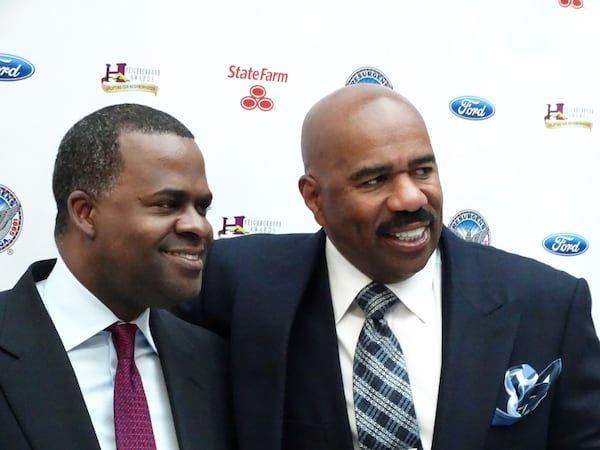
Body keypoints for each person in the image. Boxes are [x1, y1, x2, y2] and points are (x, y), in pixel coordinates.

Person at [174, 83, 600, 450]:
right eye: (375, 180)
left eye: (422, 170)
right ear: (315, 199)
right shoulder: (230, 283)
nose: (410, 199)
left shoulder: (548, 305)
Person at [0, 103, 235, 450]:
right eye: (168, 204)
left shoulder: (213, 360)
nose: (199, 226)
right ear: (86, 213)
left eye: (202, 207)